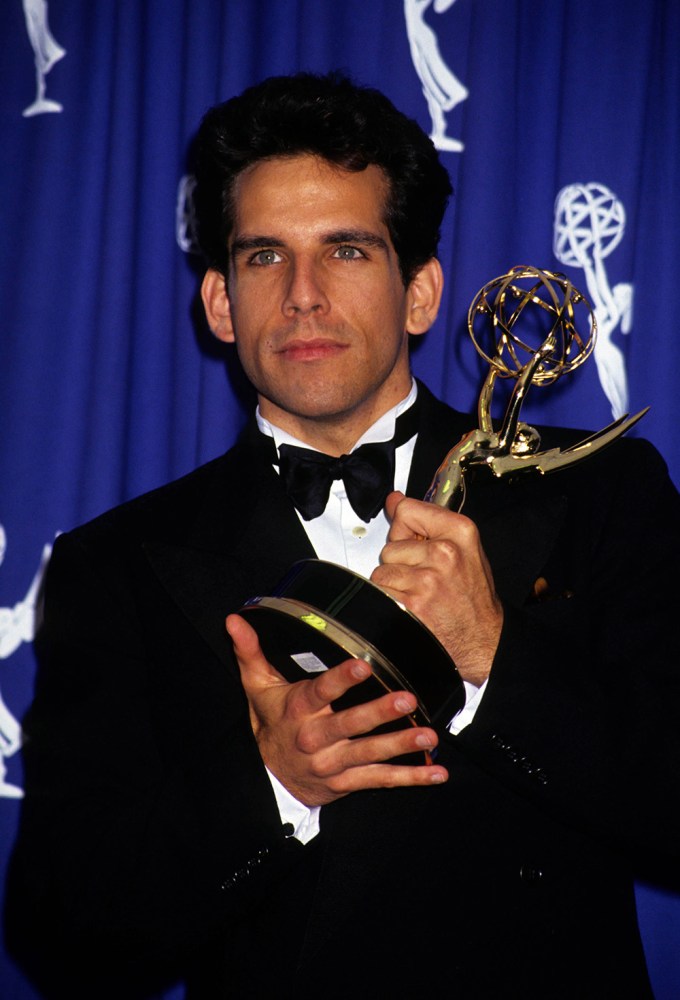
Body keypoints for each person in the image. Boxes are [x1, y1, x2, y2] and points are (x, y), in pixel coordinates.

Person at [7, 72, 680, 999]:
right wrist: (275, 786)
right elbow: (65, 934)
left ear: (421, 293)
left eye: (349, 251)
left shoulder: (597, 491)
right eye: (263, 258)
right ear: (219, 303)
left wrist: (495, 658)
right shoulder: (114, 565)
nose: (303, 296)